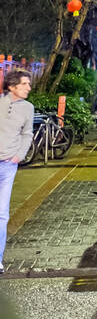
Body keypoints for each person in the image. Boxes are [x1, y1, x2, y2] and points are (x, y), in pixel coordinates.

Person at [0, 67, 35, 273]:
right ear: (12, 86)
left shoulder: (28, 108)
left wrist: (19, 155)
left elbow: (27, 134)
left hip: (8, 165)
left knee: (2, 214)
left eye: (29, 84)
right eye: (25, 84)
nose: (29, 88)